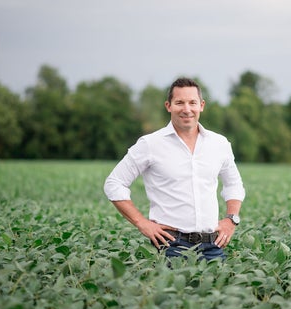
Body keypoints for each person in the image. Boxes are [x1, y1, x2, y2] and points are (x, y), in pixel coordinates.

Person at [104, 77, 245, 261]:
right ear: (168, 106)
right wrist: (142, 223)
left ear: (201, 105)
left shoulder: (219, 144)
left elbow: (233, 184)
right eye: (179, 102)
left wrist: (231, 220)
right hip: (170, 246)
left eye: (192, 102)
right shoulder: (150, 144)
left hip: (212, 246)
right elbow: (114, 183)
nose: (187, 109)